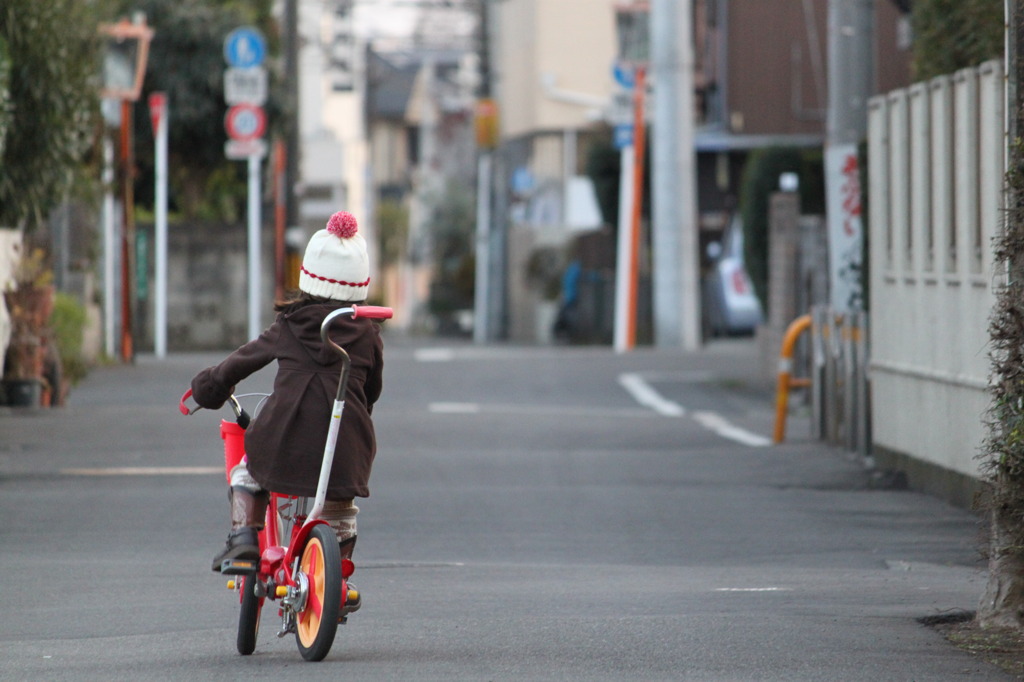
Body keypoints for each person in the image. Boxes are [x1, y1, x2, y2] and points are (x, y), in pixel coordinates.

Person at [190, 210, 384, 613]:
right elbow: (372, 391)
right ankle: (338, 576)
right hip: (343, 450)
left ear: (308, 274)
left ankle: (244, 540)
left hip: (282, 441)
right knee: (341, 511)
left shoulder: (290, 324)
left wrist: (208, 387)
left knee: (247, 472)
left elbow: (241, 362)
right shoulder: (368, 335)